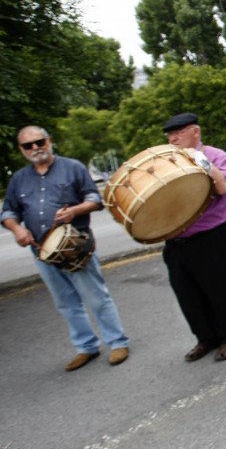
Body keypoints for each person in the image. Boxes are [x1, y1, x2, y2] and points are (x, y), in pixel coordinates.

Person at [2, 126, 130, 371]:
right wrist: (17, 229)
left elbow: (94, 199)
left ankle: (117, 342)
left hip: (75, 244)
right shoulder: (19, 178)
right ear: (21, 149)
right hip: (42, 250)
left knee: (96, 297)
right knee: (65, 302)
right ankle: (86, 347)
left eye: (39, 142)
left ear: (49, 141)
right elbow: (8, 211)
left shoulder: (72, 167)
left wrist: (74, 210)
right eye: (28, 145)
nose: (35, 148)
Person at [162, 113, 226, 363]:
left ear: (195, 132)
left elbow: (222, 188)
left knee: (220, 289)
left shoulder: (214, 155)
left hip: (209, 236)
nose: (172, 138)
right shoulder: (166, 160)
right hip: (176, 240)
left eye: (178, 133)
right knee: (187, 293)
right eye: (170, 135)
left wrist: (200, 161)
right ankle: (205, 338)